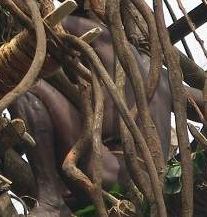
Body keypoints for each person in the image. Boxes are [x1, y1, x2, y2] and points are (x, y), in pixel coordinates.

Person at [10, 14, 173, 216]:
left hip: (111, 174)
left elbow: (50, 23)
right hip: (150, 191)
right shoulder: (165, 81)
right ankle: (59, 190)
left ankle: (50, 197)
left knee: (22, 85)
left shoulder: (102, 39)